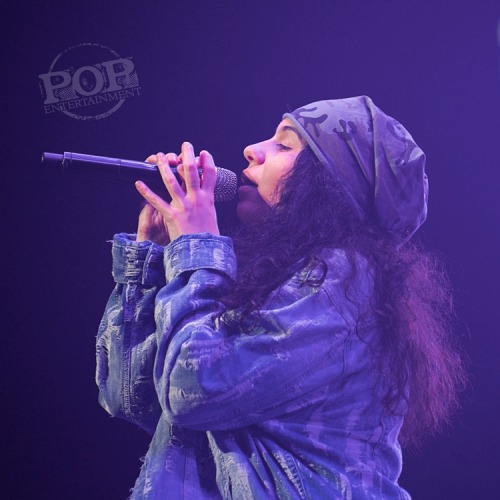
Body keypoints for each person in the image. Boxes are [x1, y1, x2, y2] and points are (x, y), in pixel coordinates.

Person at [96, 96, 465, 499]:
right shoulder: (265, 280)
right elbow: (130, 398)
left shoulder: (345, 280)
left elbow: (193, 390)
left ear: (327, 185)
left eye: (284, 145)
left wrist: (196, 246)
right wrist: (151, 256)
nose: (251, 150)